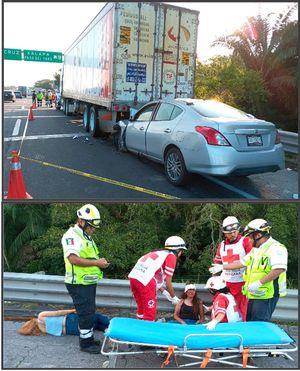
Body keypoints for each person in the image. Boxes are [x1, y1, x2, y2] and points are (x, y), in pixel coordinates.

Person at [209, 219, 287, 322]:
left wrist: (258, 283)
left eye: (250, 237)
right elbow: (242, 262)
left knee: (259, 325)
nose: (249, 240)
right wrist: (222, 267)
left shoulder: (276, 248)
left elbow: (278, 269)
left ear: (258, 235)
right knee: (251, 322)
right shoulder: (257, 249)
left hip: (267, 295)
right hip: (255, 294)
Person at [61, 204, 110, 354]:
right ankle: (85, 344)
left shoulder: (85, 236)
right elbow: (73, 259)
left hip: (87, 283)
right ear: (81, 222)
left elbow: (88, 257)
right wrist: (97, 263)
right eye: (91, 226)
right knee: (85, 314)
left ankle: (88, 340)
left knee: (89, 313)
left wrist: (99, 263)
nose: (93, 229)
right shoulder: (72, 236)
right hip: (78, 283)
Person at [128, 236, 187, 321]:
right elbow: (168, 281)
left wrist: (166, 293)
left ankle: (138, 327)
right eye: (181, 251)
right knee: (150, 312)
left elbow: (156, 279)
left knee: (141, 308)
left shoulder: (158, 252)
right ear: (177, 250)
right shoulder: (171, 256)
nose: (181, 253)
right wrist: (173, 297)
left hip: (134, 277)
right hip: (145, 280)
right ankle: (146, 332)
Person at [212, 216, 252, 321]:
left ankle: (242, 332)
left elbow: (252, 260)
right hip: (225, 283)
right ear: (225, 233)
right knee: (223, 308)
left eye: (235, 231)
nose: (233, 234)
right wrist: (214, 279)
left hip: (241, 283)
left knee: (243, 310)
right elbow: (217, 262)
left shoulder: (246, 241)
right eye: (229, 232)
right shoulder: (222, 245)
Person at [18, 309, 109, 336]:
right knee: (95, 317)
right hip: (70, 321)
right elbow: (58, 313)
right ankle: (111, 324)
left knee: (94, 325)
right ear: (31, 322)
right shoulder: (41, 317)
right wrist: (72, 310)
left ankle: (106, 329)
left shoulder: (42, 331)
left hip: (72, 331)